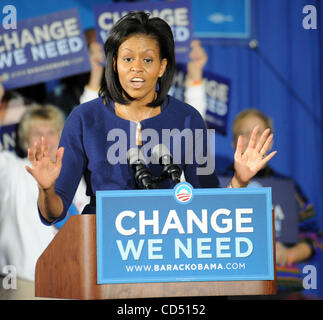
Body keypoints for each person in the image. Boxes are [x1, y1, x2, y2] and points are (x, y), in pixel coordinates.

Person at [25, 12, 276, 232]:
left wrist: (239, 181)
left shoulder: (187, 119)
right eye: (127, 59)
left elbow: (207, 206)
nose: (137, 68)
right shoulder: (85, 119)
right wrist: (46, 189)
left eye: (147, 60)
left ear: (162, 67)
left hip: (167, 249)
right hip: (101, 245)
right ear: (114, 64)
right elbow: (53, 213)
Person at [224, 109, 322, 299]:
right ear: (233, 142)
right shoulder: (216, 185)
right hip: (234, 286)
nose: (253, 139)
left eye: (260, 133)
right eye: (244, 133)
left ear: (271, 141)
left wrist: (289, 254)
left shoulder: (290, 189)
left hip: (283, 286)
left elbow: (315, 239)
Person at [0, 104, 88, 299]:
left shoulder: (75, 176)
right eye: (36, 133)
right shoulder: (11, 170)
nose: (45, 139)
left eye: (51, 132)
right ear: (24, 139)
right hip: (26, 281)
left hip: (72, 279)